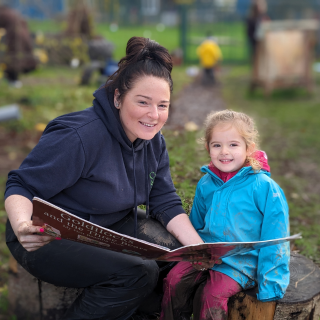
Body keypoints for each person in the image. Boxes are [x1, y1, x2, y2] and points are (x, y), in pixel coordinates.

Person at [4, 37, 205, 320]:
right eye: (143, 102)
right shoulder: (80, 136)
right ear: (118, 97)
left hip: (108, 226)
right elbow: (20, 185)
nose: (154, 115)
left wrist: (197, 249)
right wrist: (23, 226)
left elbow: (165, 201)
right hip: (48, 235)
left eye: (163, 105)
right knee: (138, 272)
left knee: (174, 257)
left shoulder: (154, 142)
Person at [160, 110, 290, 320]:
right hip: (207, 252)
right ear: (208, 147)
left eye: (233, 145)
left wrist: (271, 285)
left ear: (249, 148)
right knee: (174, 279)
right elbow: (195, 224)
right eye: (217, 145)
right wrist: (193, 252)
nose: (224, 152)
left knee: (212, 295)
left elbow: (276, 238)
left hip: (240, 261)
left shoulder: (265, 188)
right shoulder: (206, 183)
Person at [0, 5, 38, 88]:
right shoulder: (10, 12)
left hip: (14, 34)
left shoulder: (5, 14)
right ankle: (14, 78)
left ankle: (13, 79)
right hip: (20, 32)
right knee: (17, 53)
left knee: (13, 54)